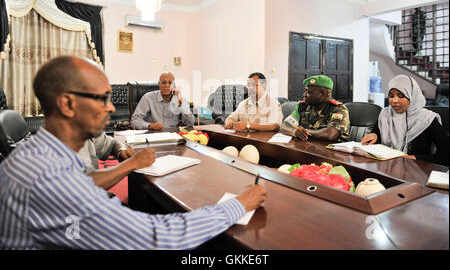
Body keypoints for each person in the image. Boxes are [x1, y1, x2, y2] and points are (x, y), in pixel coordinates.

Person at [0, 55, 267, 249]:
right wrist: (238, 205)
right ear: (68, 104)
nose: (109, 108)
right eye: (102, 98)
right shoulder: (49, 179)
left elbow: (188, 122)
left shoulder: (42, 152)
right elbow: (157, 237)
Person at [361, 75, 449, 165]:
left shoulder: (427, 119)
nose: (394, 100)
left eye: (401, 96)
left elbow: (446, 155)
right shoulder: (385, 115)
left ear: (412, 96)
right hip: (386, 169)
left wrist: (413, 158)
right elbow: (377, 143)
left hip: (416, 171)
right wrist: (374, 137)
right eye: (391, 96)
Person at [280, 75, 350, 142]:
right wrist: (294, 131)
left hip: (333, 151)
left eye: (309, 92)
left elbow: (331, 134)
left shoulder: (338, 109)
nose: (304, 94)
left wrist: (306, 132)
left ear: (324, 93)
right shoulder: (303, 106)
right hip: (307, 148)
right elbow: (284, 126)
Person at [130, 71, 195, 130]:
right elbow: (135, 120)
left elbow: (190, 123)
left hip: (174, 136)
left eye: (170, 83)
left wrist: (181, 103)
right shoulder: (148, 98)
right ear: (159, 84)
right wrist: (150, 126)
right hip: (154, 134)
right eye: (163, 82)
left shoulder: (180, 99)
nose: (167, 85)